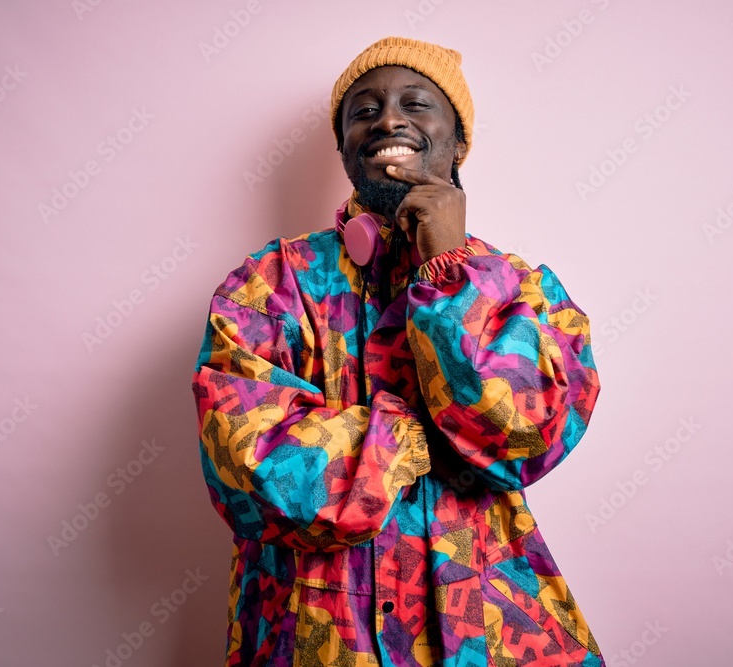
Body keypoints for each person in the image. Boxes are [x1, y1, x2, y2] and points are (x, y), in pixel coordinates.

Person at [193, 36, 605, 666]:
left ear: (458, 140)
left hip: (488, 632)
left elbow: (523, 435)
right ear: (343, 147)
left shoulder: (520, 288)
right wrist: (413, 435)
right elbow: (249, 469)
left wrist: (448, 268)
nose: (388, 119)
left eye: (416, 103)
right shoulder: (268, 284)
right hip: (314, 638)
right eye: (364, 111)